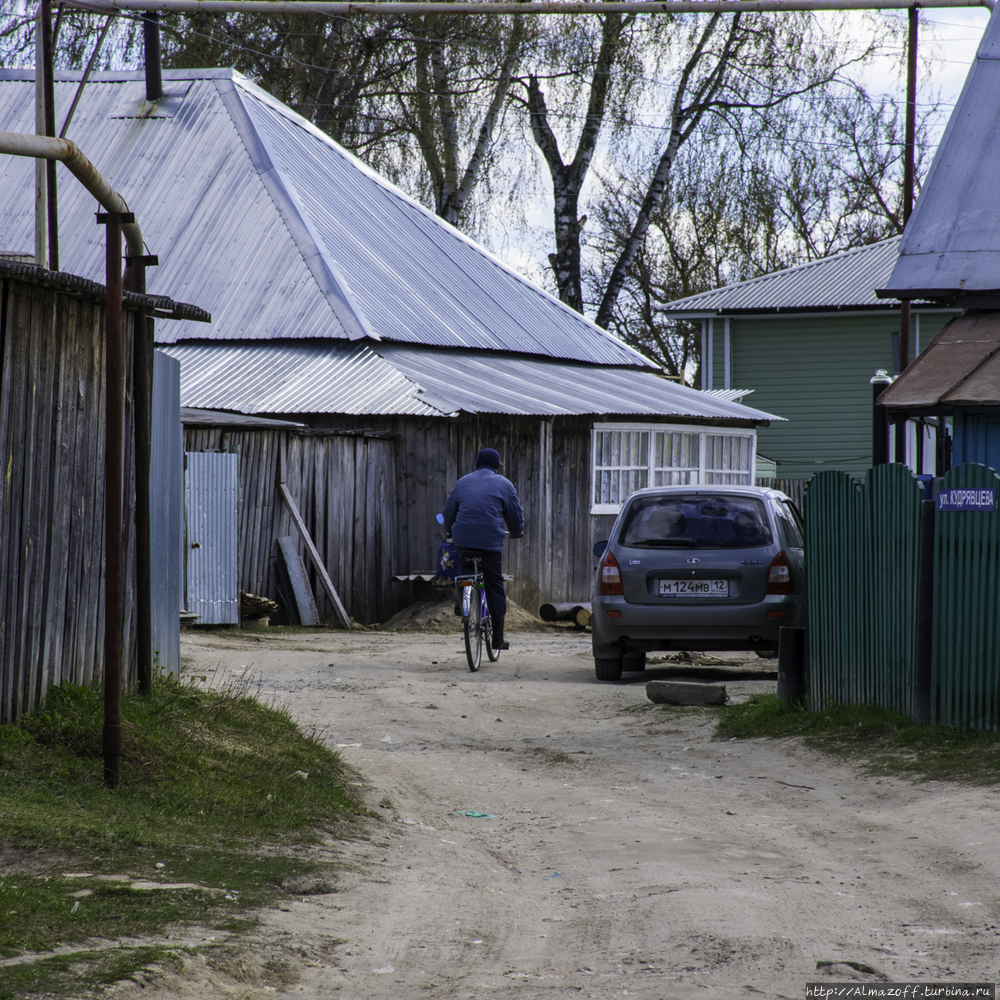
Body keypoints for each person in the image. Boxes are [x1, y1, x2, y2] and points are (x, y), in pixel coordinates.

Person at [442, 448, 524, 650]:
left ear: (477, 464)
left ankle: (464, 602)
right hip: (490, 542)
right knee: (494, 582)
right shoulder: (505, 484)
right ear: (497, 466)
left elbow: (447, 512)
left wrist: (450, 531)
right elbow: (514, 515)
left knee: (465, 571)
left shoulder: (462, 482)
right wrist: (516, 532)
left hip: (463, 538)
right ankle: (497, 638)